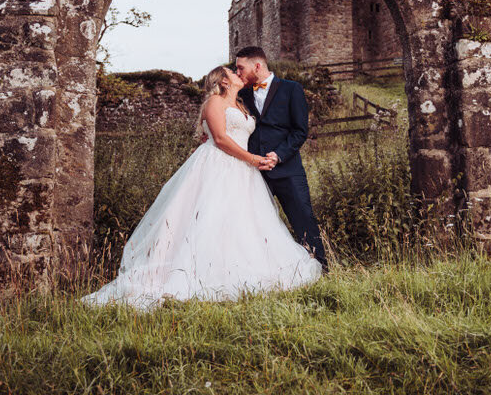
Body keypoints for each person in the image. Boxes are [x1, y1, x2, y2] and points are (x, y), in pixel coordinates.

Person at [80, 65, 322, 311]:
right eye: (234, 72)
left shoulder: (242, 103)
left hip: (243, 172)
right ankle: (200, 273)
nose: (239, 74)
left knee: (242, 221)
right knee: (209, 218)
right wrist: (252, 159)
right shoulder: (214, 102)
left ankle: (236, 268)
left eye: (240, 69)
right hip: (220, 167)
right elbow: (220, 139)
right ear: (224, 81)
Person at [234, 46, 329, 274]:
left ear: (257, 66)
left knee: (304, 219)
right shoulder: (240, 94)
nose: (237, 72)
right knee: (256, 225)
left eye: (240, 67)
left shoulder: (291, 89)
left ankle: (322, 270)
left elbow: (300, 131)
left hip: (288, 170)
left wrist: (278, 155)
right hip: (253, 173)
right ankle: (266, 274)